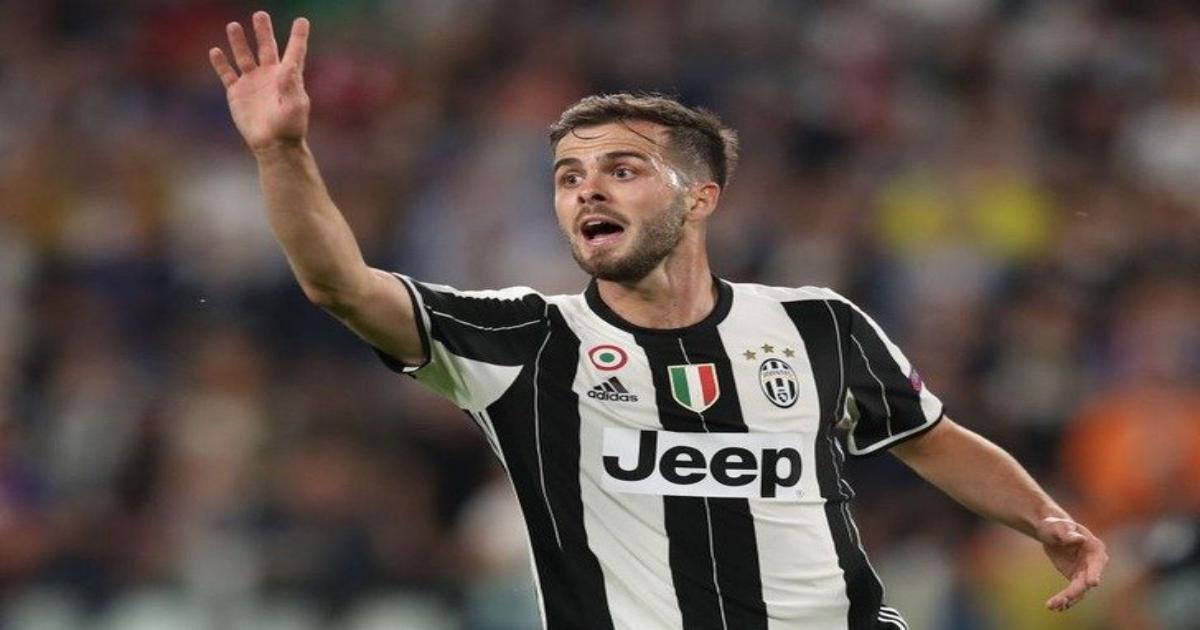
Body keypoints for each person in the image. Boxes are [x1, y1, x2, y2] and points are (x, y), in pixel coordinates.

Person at [208, 12, 1108, 629]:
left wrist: (1044, 519)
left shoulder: (818, 325)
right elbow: (341, 287)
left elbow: (930, 438)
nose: (587, 189)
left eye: (623, 169)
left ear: (700, 196)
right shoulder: (527, 340)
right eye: (568, 176)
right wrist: (283, 153)